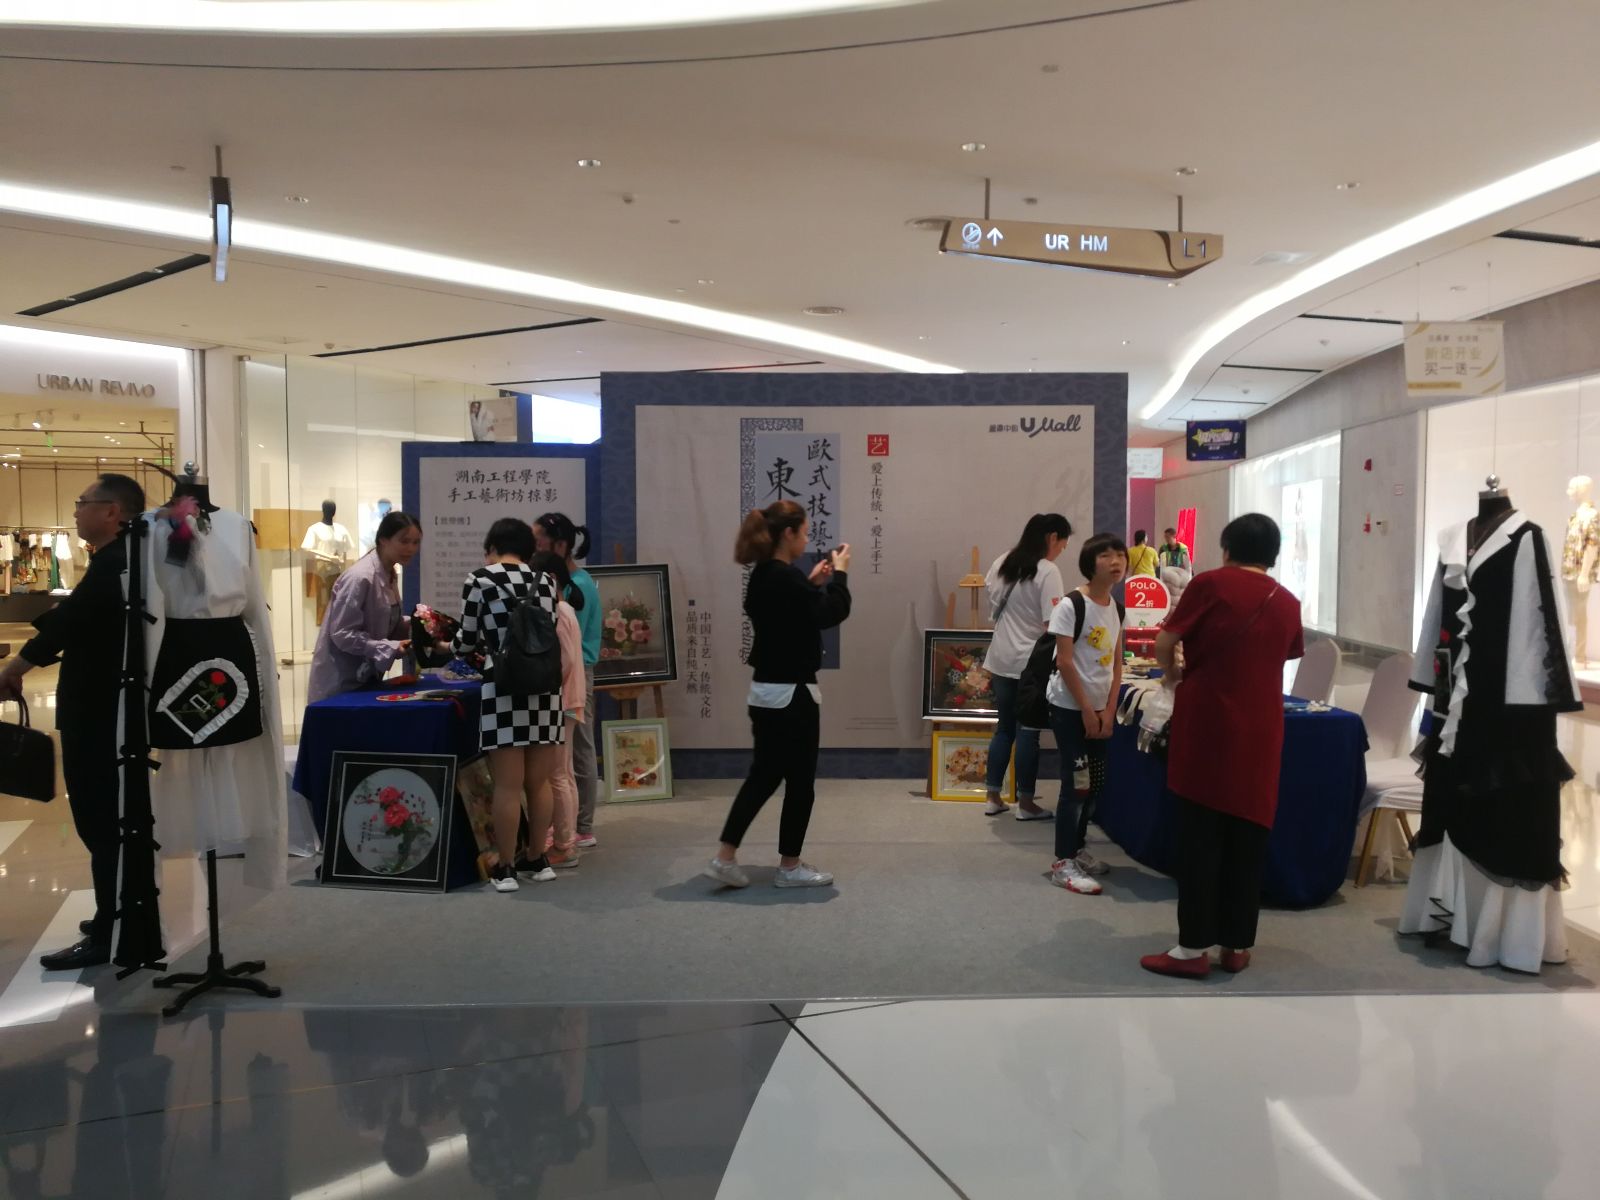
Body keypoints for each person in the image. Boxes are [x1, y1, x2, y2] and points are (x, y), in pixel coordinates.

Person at [1141, 514, 1304, 978]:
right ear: (1273, 554)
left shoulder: (1210, 584)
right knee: (1248, 837)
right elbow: (1285, 654)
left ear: (1227, 547)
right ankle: (1236, 945)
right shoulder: (1287, 601)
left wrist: (1173, 675)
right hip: (1262, 728)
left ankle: (1192, 949)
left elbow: (1165, 641)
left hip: (1208, 721)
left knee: (1200, 837)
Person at [0, 473, 145, 970]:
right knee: (104, 820)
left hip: (100, 713)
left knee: (100, 819)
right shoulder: (121, 560)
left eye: (84, 502)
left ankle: (111, 931)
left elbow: (67, 623)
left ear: (111, 511)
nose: (77, 511)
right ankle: (116, 914)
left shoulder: (114, 563)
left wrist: (16, 666)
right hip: (104, 707)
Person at [705, 500, 851, 889]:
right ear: (788, 534)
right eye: (804, 533)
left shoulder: (765, 576)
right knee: (800, 782)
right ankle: (789, 866)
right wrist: (840, 575)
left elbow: (795, 613)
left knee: (764, 776)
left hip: (767, 692)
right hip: (793, 695)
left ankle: (725, 857)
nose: (806, 540)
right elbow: (831, 612)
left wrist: (812, 584)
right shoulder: (785, 578)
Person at [454, 518, 567, 892]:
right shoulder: (545, 581)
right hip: (544, 688)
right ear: (528, 550)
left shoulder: (480, 580)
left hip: (503, 687)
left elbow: (466, 640)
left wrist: (446, 646)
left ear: (492, 546)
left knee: (507, 785)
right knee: (539, 783)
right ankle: (537, 859)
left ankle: (505, 868)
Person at [1045, 533, 1127, 896]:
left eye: (1120, 555)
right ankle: (1062, 862)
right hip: (1069, 708)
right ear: (1089, 563)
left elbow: (1117, 663)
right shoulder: (1071, 605)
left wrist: (1108, 710)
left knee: (1094, 785)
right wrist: (1086, 711)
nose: (1116, 561)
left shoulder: (1116, 608)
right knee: (1076, 784)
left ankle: (1077, 850)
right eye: (1106, 555)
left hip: (1098, 708)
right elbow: (1065, 662)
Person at [981, 513, 1072, 818]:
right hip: (1030, 663)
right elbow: (1053, 623)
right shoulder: (1047, 571)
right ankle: (1026, 803)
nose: (1060, 551)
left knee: (1004, 729)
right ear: (1052, 537)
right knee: (1028, 731)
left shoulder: (1003, 562)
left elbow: (993, 602)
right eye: (1062, 545)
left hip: (1000, 657)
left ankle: (992, 797)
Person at [534, 513, 601, 851]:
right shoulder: (575, 582)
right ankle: (570, 825)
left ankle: (581, 826)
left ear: (559, 545)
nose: (535, 548)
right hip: (573, 674)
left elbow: (570, 650)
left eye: (539, 541)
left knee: (577, 753)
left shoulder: (576, 587)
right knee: (566, 761)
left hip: (575, 675)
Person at [305, 511, 421, 703]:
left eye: (416, 542)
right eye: (404, 541)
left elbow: (385, 621)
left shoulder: (389, 573)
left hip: (366, 679)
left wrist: (419, 624)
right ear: (383, 540)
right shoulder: (360, 577)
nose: (411, 548)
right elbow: (342, 633)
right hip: (341, 683)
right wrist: (389, 647)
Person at [528, 550, 586, 871]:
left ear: (549, 579)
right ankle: (567, 838)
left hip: (562, 699)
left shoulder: (560, 610)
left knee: (557, 775)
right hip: (569, 698)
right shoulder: (566, 609)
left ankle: (564, 845)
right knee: (564, 772)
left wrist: (545, 683)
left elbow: (566, 660)